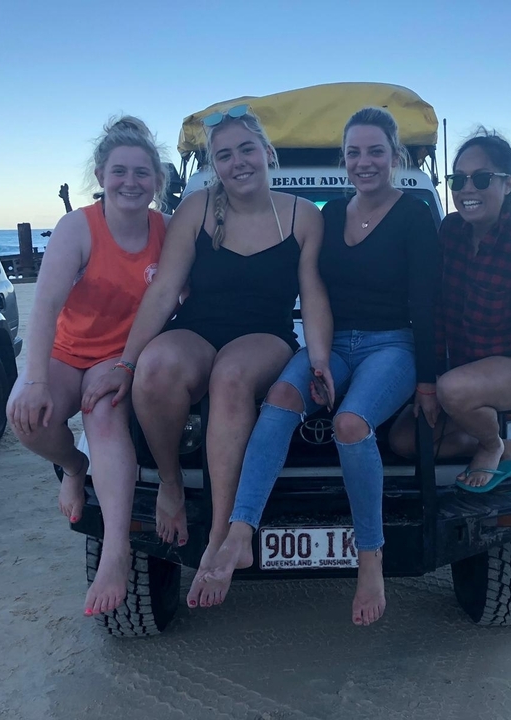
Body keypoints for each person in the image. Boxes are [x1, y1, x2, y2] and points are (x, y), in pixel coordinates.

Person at [192, 107, 440, 626]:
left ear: (395, 156)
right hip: (334, 341)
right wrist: (320, 358)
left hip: (392, 345)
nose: (364, 162)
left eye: (375, 151)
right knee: (280, 397)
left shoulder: (416, 214)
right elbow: (309, 285)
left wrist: (427, 382)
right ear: (343, 159)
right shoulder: (331, 215)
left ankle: (370, 559)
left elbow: (428, 303)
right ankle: (240, 533)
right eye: (354, 152)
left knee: (350, 423)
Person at [79, 106, 330, 607]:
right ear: (214, 165)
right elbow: (164, 292)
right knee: (155, 368)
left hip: (266, 336)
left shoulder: (304, 216)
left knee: (231, 374)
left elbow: (315, 294)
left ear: (268, 153)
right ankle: (171, 483)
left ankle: (220, 537)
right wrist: (127, 362)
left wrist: (319, 359)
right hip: (198, 328)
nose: (238, 162)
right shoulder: (196, 209)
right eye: (225, 155)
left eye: (247, 149)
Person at [6, 116, 169, 616]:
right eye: (119, 171)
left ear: (157, 181)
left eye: (142, 173)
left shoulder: (165, 229)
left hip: (121, 356)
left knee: (103, 417)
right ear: (101, 176)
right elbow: (45, 306)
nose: (130, 182)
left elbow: (177, 296)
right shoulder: (78, 227)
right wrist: (34, 379)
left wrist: (130, 361)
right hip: (66, 350)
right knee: (26, 418)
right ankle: (74, 467)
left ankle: (115, 552)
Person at [390, 128, 511, 490]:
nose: (467, 189)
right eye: (458, 179)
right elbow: (437, 309)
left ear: (508, 184)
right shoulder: (451, 232)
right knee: (404, 440)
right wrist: (430, 376)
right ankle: (508, 447)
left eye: (481, 179)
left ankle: (491, 445)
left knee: (453, 390)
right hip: (467, 370)